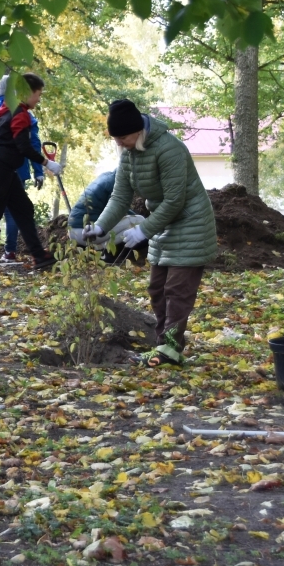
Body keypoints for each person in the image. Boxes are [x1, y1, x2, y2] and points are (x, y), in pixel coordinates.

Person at [83, 99, 217, 366]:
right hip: (163, 226)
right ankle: (162, 347)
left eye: (123, 137)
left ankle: (170, 350)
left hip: (191, 226)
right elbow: (120, 196)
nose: (119, 143)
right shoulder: (130, 155)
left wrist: (143, 230)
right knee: (157, 289)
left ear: (138, 131)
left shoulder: (170, 150)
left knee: (177, 290)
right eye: (116, 138)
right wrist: (100, 226)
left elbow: (174, 201)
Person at [0, 76, 61, 275]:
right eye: (38, 94)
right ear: (27, 93)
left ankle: (39, 255)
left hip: (3, 168)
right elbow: (23, 146)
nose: (39, 99)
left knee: (24, 208)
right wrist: (47, 163)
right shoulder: (19, 114)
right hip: (1, 168)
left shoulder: (7, 110)